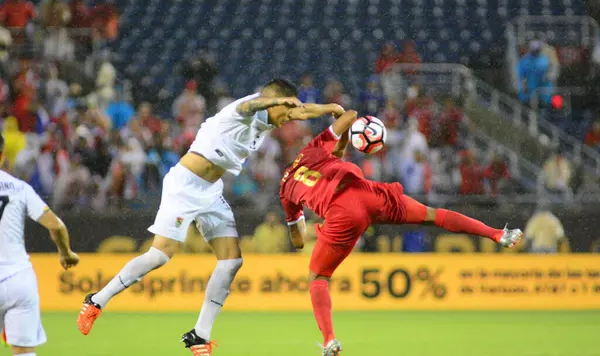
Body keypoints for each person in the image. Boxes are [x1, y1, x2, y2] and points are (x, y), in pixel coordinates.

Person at [76, 78, 344, 356]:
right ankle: (96, 301)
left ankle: (199, 336)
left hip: (210, 191)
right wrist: (277, 103)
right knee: (159, 256)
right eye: (284, 111)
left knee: (231, 261)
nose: (287, 119)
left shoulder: (271, 117)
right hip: (184, 185)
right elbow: (253, 105)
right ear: (273, 101)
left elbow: (300, 111)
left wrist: (330, 108)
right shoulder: (242, 109)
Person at [279, 110, 522, 356]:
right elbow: (349, 117)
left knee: (318, 278)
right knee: (432, 215)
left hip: (341, 212)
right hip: (367, 193)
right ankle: (497, 234)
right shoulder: (311, 151)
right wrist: (344, 119)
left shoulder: (285, 188)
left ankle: (330, 340)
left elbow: (298, 240)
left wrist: (303, 226)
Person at [0, 133, 80, 356]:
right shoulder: (19, 188)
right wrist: (66, 253)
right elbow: (56, 226)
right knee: (25, 353)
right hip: (18, 279)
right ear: (2, 156)